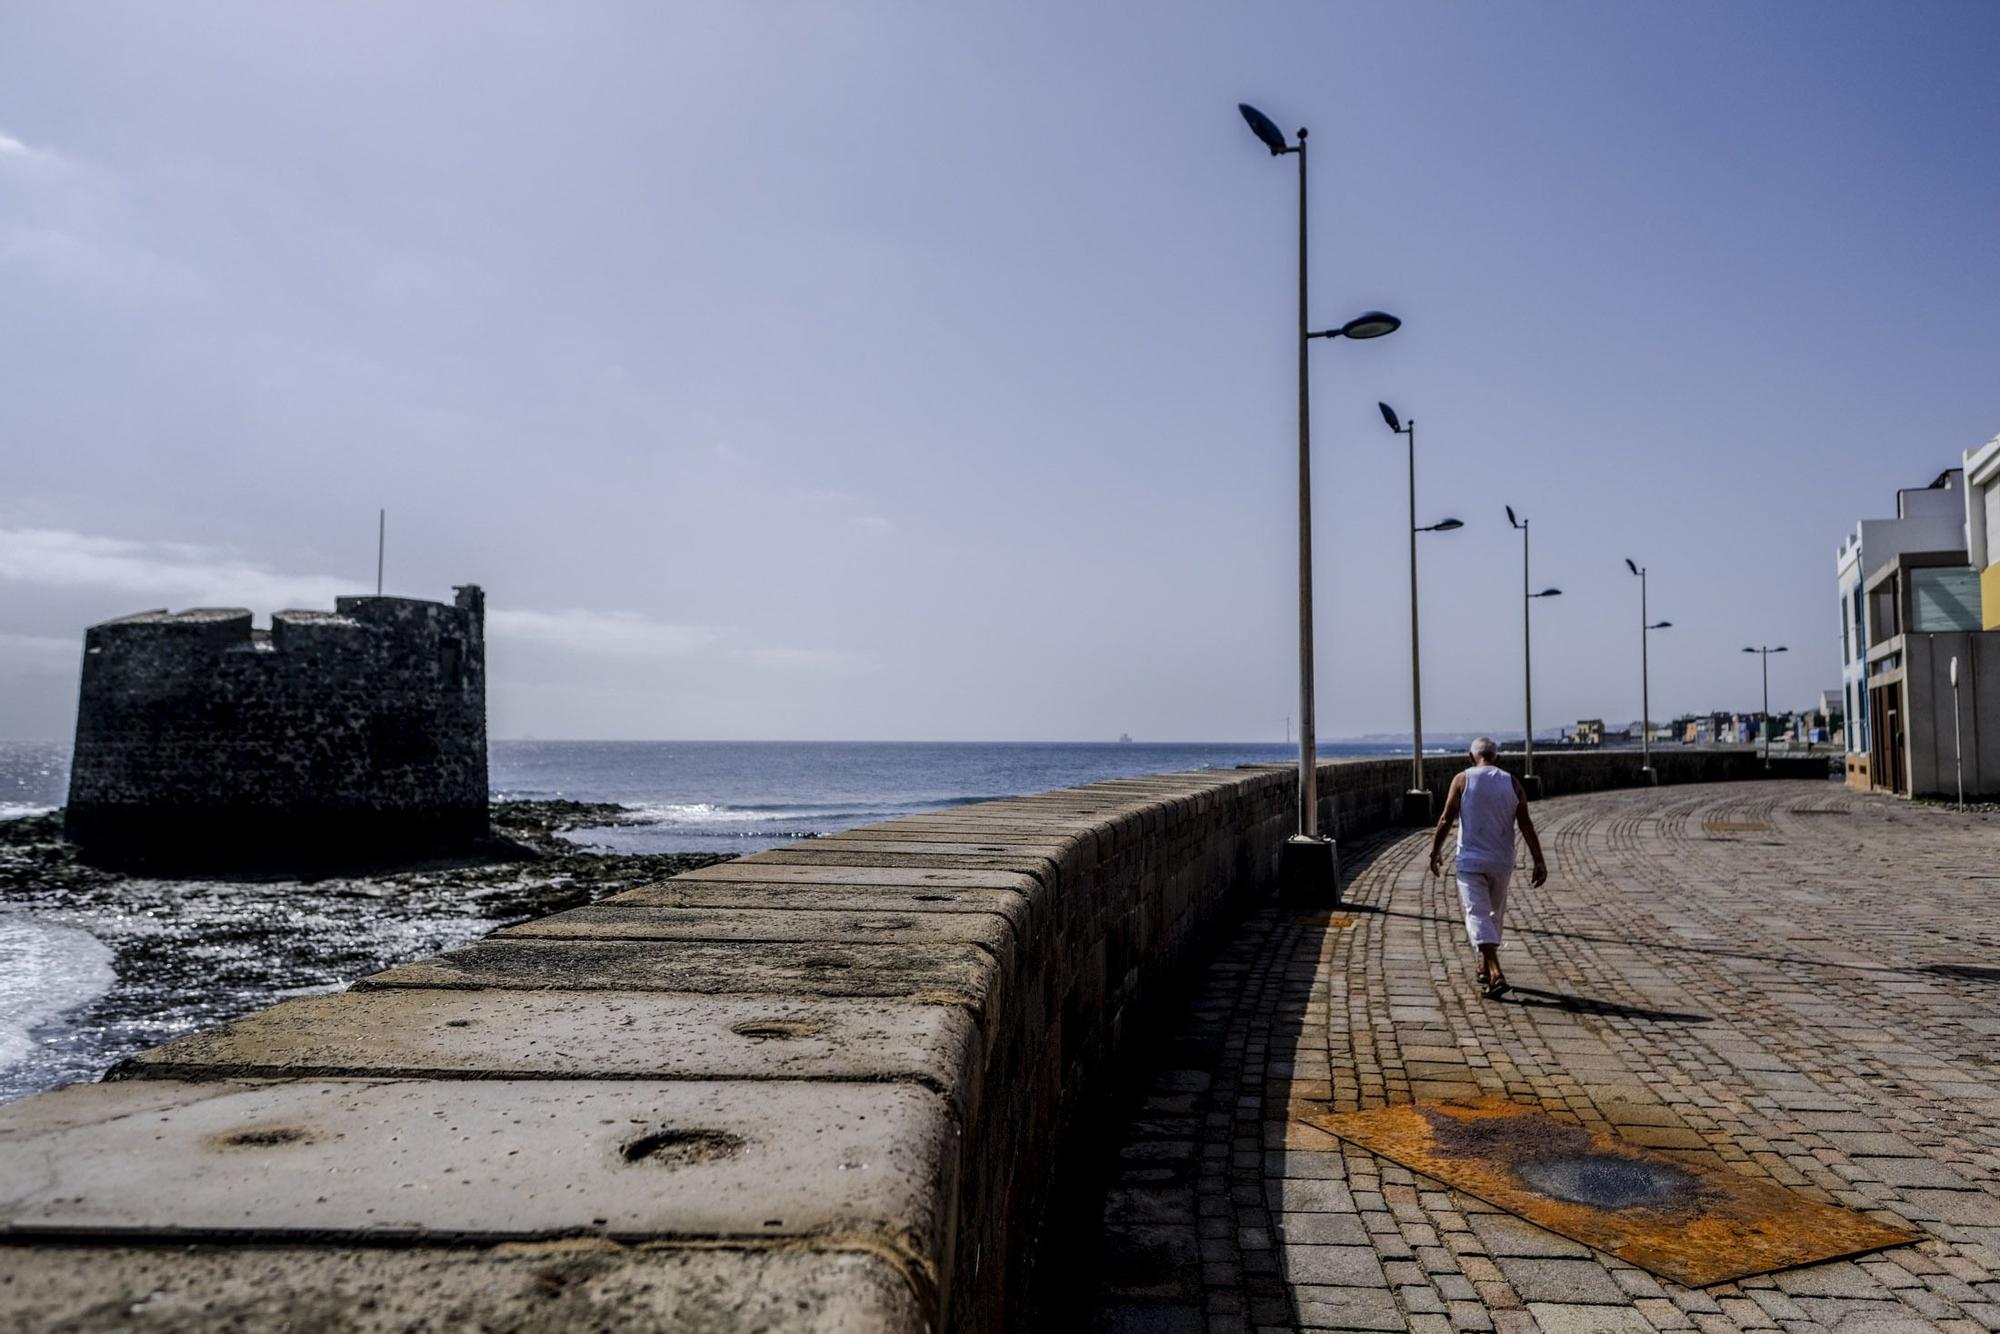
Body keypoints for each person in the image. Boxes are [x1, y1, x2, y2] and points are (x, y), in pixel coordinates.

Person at [1426, 737, 1547, 998]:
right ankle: (1484, 966)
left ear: (1471, 758)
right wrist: (1538, 859)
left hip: (1470, 861)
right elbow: (1526, 824)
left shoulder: (1462, 779)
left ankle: (1495, 971)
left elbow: (1446, 818)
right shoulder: (1512, 783)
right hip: (1502, 861)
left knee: (1477, 914)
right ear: (1497, 758)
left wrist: (1435, 851)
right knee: (1494, 916)